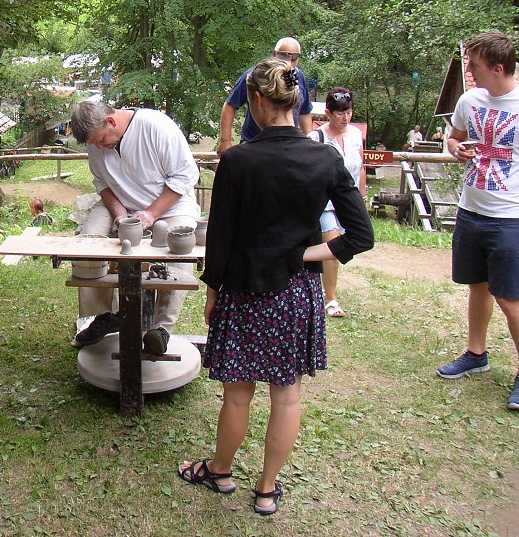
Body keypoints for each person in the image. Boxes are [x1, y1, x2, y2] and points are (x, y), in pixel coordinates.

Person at [179, 58, 373, 514]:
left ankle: (220, 471)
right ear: (296, 100)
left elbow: (220, 238)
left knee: (237, 394)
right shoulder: (325, 157)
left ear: (256, 100)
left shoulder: (237, 160)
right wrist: (304, 255)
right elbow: (360, 236)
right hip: (297, 294)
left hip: (245, 291)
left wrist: (212, 293)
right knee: (287, 395)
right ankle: (266, 490)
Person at [69, 101, 200, 355]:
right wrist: (119, 213)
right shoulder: (96, 140)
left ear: (111, 121)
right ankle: (104, 317)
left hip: (170, 204)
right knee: (88, 243)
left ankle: (160, 330)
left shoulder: (156, 127)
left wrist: (151, 214)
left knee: (179, 247)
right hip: (121, 203)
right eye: (94, 144)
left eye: (101, 140)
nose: (98, 147)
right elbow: (101, 183)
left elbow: (184, 176)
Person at [437, 30, 519, 410]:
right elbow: (453, 138)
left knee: (510, 297)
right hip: (471, 210)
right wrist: (456, 148)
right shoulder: (469, 100)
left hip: (511, 217)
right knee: (478, 286)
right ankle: (476, 354)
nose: (469, 70)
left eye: (474, 65)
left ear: (498, 68)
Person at [309, 88, 365, 317]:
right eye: (340, 113)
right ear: (328, 114)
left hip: (348, 198)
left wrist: (362, 195)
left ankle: (323, 284)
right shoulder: (316, 138)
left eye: (348, 112)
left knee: (349, 241)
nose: (345, 117)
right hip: (325, 200)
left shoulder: (355, 135)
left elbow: (360, 165)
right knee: (332, 243)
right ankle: (331, 299)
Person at [217, 37, 313, 154]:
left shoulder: (297, 77)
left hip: (287, 145)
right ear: (275, 54)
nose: (288, 61)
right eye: (284, 55)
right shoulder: (256, 76)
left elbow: (305, 111)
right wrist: (225, 141)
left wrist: (309, 143)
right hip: (254, 144)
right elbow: (230, 104)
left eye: (294, 57)